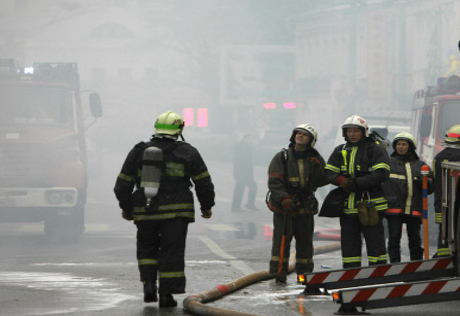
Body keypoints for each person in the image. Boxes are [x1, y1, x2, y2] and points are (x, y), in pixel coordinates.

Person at [114, 110, 215, 307]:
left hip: (145, 210)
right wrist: (207, 206)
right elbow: (203, 181)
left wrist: (127, 207)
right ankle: (167, 295)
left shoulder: (139, 151)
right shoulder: (188, 152)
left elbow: (123, 183)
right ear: (179, 129)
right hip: (176, 213)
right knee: (171, 251)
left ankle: (149, 285)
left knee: (147, 248)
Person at [324, 115, 390, 269]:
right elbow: (328, 173)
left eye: (355, 131)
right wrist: (341, 181)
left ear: (364, 132)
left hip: (371, 207)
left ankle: (378, 275)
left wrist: (356, 184)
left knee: (375, 244)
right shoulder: (340, 150)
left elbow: (382, 173)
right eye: (349, 131)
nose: (352, 134)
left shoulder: (375, 149)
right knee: (349, 246)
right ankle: (350, 274)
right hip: (348, 208)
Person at [267, 123, 326, 283]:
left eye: (304, 135)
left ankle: (304, 275)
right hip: (284, 209)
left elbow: (321, 182)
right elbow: (274, 182)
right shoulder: (281, 157)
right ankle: (279, 274)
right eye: (298, 133)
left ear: (311, 140)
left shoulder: (316, 159)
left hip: (305, 209)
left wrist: (318, 168)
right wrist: (284, 199)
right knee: (281, 242)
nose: (300, 136)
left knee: (305, 245)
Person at [382, 132, 433, 262]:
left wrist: (425, 181)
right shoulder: (388, 163)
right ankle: (395, 267)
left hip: (414, 208)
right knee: (393, 239)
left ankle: (415, 267)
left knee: (415, 239)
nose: (401, 147)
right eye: (398, 144)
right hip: (394, 208)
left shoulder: (421, 165)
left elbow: (431, 189)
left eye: (404, 144)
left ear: (410, 147)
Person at [433, 124, 460, 258]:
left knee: (443, 233)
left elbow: (434, 181)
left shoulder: (438, 157)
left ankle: (442, 257)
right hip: (457, 203)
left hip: (442, 202)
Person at [232, 133, 258, 211]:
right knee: (240, 189)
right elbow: (243, 161)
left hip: (245, 173)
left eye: (253, 139)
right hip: (242, 173)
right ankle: (236, 206)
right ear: (245, 139)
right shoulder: (241, 147)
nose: (252, 141)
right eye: (250, 139)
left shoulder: (245, 147)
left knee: (251, 187)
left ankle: (248, 204)